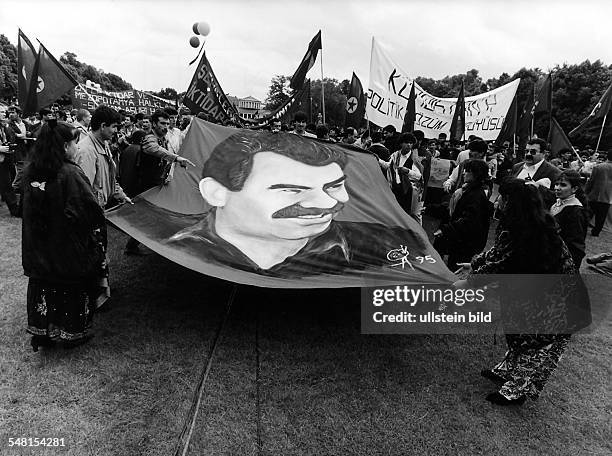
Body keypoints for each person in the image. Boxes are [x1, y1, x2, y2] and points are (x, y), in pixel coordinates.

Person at [167, 131, 434, 277]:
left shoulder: (383, 245)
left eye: (334, 186)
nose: (325, 203)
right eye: (291, 189)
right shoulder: (174, 241)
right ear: (216, 192)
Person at [455, 178, 582, 405]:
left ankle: (516, 390)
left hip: (551, 300)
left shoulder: (531, 232)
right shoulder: (520, 226)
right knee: (518, 333)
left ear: (512, 202)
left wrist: (469, 282)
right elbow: (499, 252)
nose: (497, 201)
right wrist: (474, 264)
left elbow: (502, 264)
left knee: (533, 342)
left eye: (502, 197)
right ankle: (508, 371)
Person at [22, 120, 105, 350]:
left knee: (43, 286)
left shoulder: (30, 171)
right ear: (65, 146)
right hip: (66, 248)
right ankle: (70, 332)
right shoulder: (70, 173)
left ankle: (44, 332)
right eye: (74, 144)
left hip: (38, 246)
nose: (77, 148)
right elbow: (87, 210)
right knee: (70, 287)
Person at [433, 159, 491, 270]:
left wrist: (445, 230)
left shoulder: (476, 195)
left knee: (456, 269)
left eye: (467, 171)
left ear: (475, 174)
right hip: (459, 239)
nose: (464, 173)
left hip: (465, 243)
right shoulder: (468, 190)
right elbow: (453, 210)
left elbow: (467, 220)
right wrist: (431, 209)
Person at [378, 132, 423, 221]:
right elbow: (388, 166)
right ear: (401, 143)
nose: (409, 145)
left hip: (408, 191)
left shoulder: (414, 158)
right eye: (406, 142)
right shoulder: (395, 155)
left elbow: (419, 176)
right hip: (395, 189)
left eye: (411, 143)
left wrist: (408, 171)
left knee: (409, 215)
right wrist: (378, 160)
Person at [551, 170, 588, 267]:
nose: (557, 188)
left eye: (563, 185)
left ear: (574, 189)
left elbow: (576, 246)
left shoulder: (575, 211)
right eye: (556, 184)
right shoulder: (557, 202)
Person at [511, 137, 561, 207]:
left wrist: (538, 188)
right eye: (526, 151)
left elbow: (556, 196)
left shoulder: (553, 172)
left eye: (533, 152)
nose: (528, 154)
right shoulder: (517, 167)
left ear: (543, 153)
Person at [585, 149, 612, 237]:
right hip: (608, 197)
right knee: (601, 217)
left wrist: (587, 191)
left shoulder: (598, 167)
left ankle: (583, 228)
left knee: (588, 213)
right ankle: (596, 232)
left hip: (595, 194)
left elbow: (591, 181)